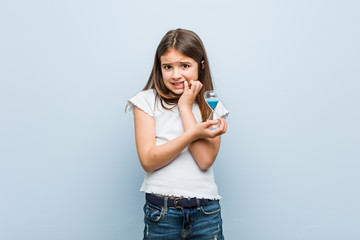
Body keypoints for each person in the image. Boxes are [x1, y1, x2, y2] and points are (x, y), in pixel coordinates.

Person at [126, 28, 228, 240]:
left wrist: (185, 108)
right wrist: (192, 134)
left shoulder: (211, 105)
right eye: (167, 67)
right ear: (159, 67)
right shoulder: (145, 102)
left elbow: (204, 160)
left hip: (206, 213)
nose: (175, 75)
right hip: (162, 213)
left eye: (184, 66)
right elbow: (148, 161)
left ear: (200, 65)